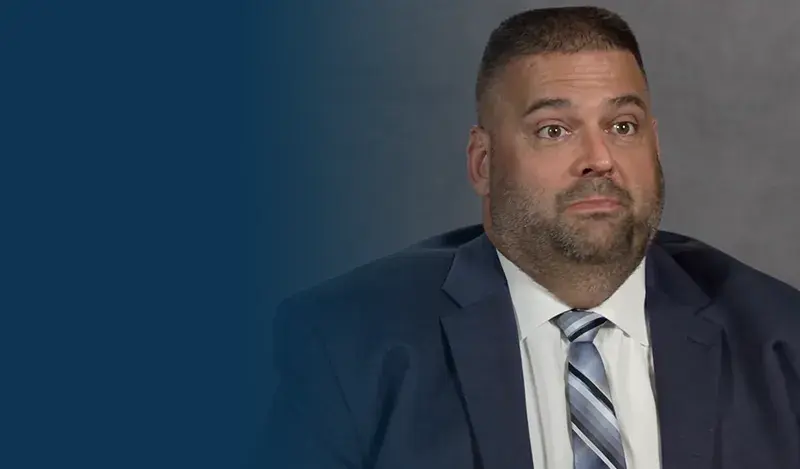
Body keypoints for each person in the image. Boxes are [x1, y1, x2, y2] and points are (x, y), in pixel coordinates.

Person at [266, 6, 800, 469]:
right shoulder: (348, 345)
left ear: (654, 146)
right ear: (483, 163)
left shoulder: (781, 340)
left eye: (622, 126)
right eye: (554, 130)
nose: (599, 159)